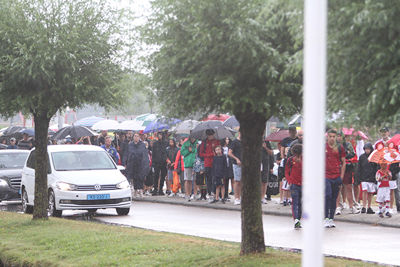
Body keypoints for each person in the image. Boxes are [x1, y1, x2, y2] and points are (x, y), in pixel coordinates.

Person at [324, 129, 346, 228]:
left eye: (334, 136)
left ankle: (331, 219)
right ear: (327, 137)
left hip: (336, 176)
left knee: (334, 198)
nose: (332, 138)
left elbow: (344, 162)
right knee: (327, 195)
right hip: (326, 176)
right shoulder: (323, 147)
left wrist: (341, 176)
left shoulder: (340, 147)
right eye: (330, 136)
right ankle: (325, 218)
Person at [126, 133, 150, 198]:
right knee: (134, 178)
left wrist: (145, 164)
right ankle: (135, 191)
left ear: (139, 137)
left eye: (137, 136)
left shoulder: (142, 145)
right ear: (133, 137)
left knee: (141, 178)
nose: (136, 137)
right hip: (132, 164)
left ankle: (141, 191)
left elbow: (145, 154)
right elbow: (128, 154)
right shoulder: (130, 145)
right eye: (135, 136)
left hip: (140, 164)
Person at [356, 143, 377, 214]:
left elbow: (376, 168)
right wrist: (358, 178)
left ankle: (369, 206)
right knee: (364, 191)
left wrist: (375, 178)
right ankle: (364, 206)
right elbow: (359, 168)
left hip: (371, 178)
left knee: (370, 193)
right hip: (364, 178)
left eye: (368, 149)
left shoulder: (374, 157)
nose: (367, 150)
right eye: (366, 149)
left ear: (371, 149)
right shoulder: (362, 157)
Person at [199, 129, 220, 201]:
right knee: (209, 179)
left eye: (212, 135)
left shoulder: (217, 141)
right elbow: (201, 154)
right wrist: (209, 155)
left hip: (216, 163)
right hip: (207, 163)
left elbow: (219, 151)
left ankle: (216, 194)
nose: (211, 136)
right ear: (207, 135)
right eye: (209, 135)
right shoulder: (204, 142)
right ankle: (210, 193)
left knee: (216, 178)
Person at [286, 144, 303, 229]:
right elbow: (286, 171)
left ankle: (299, 218)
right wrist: (289, 181)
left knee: (301, 202)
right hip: (294, 185)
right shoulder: (290, 160)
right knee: (295, 202)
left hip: (303, 185)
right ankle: (296, 219)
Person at [180, 137, 197, 201]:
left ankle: (195, 194)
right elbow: (182, 152)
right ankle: (187, 194)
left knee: (195, 180)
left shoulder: (197, 143)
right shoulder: (185, 144)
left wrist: (192, 150)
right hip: (188, 164)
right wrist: (188, 150)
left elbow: (198, 151)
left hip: (196, 164)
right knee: (187, 180)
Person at [228, 131, 242, 205]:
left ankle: (242, 197)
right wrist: (236, 159)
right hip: (237, 164)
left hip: (244, 164)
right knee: (237, 181)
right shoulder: (234, 142)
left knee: (243, 181)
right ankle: (237, 198)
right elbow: (229, 153)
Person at [261, 140, 274, 204]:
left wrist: (265, 147)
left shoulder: (266, 142)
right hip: (256, 164)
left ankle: (262, 197)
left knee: (264, 181)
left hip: (265, 164)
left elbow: (271, 153)